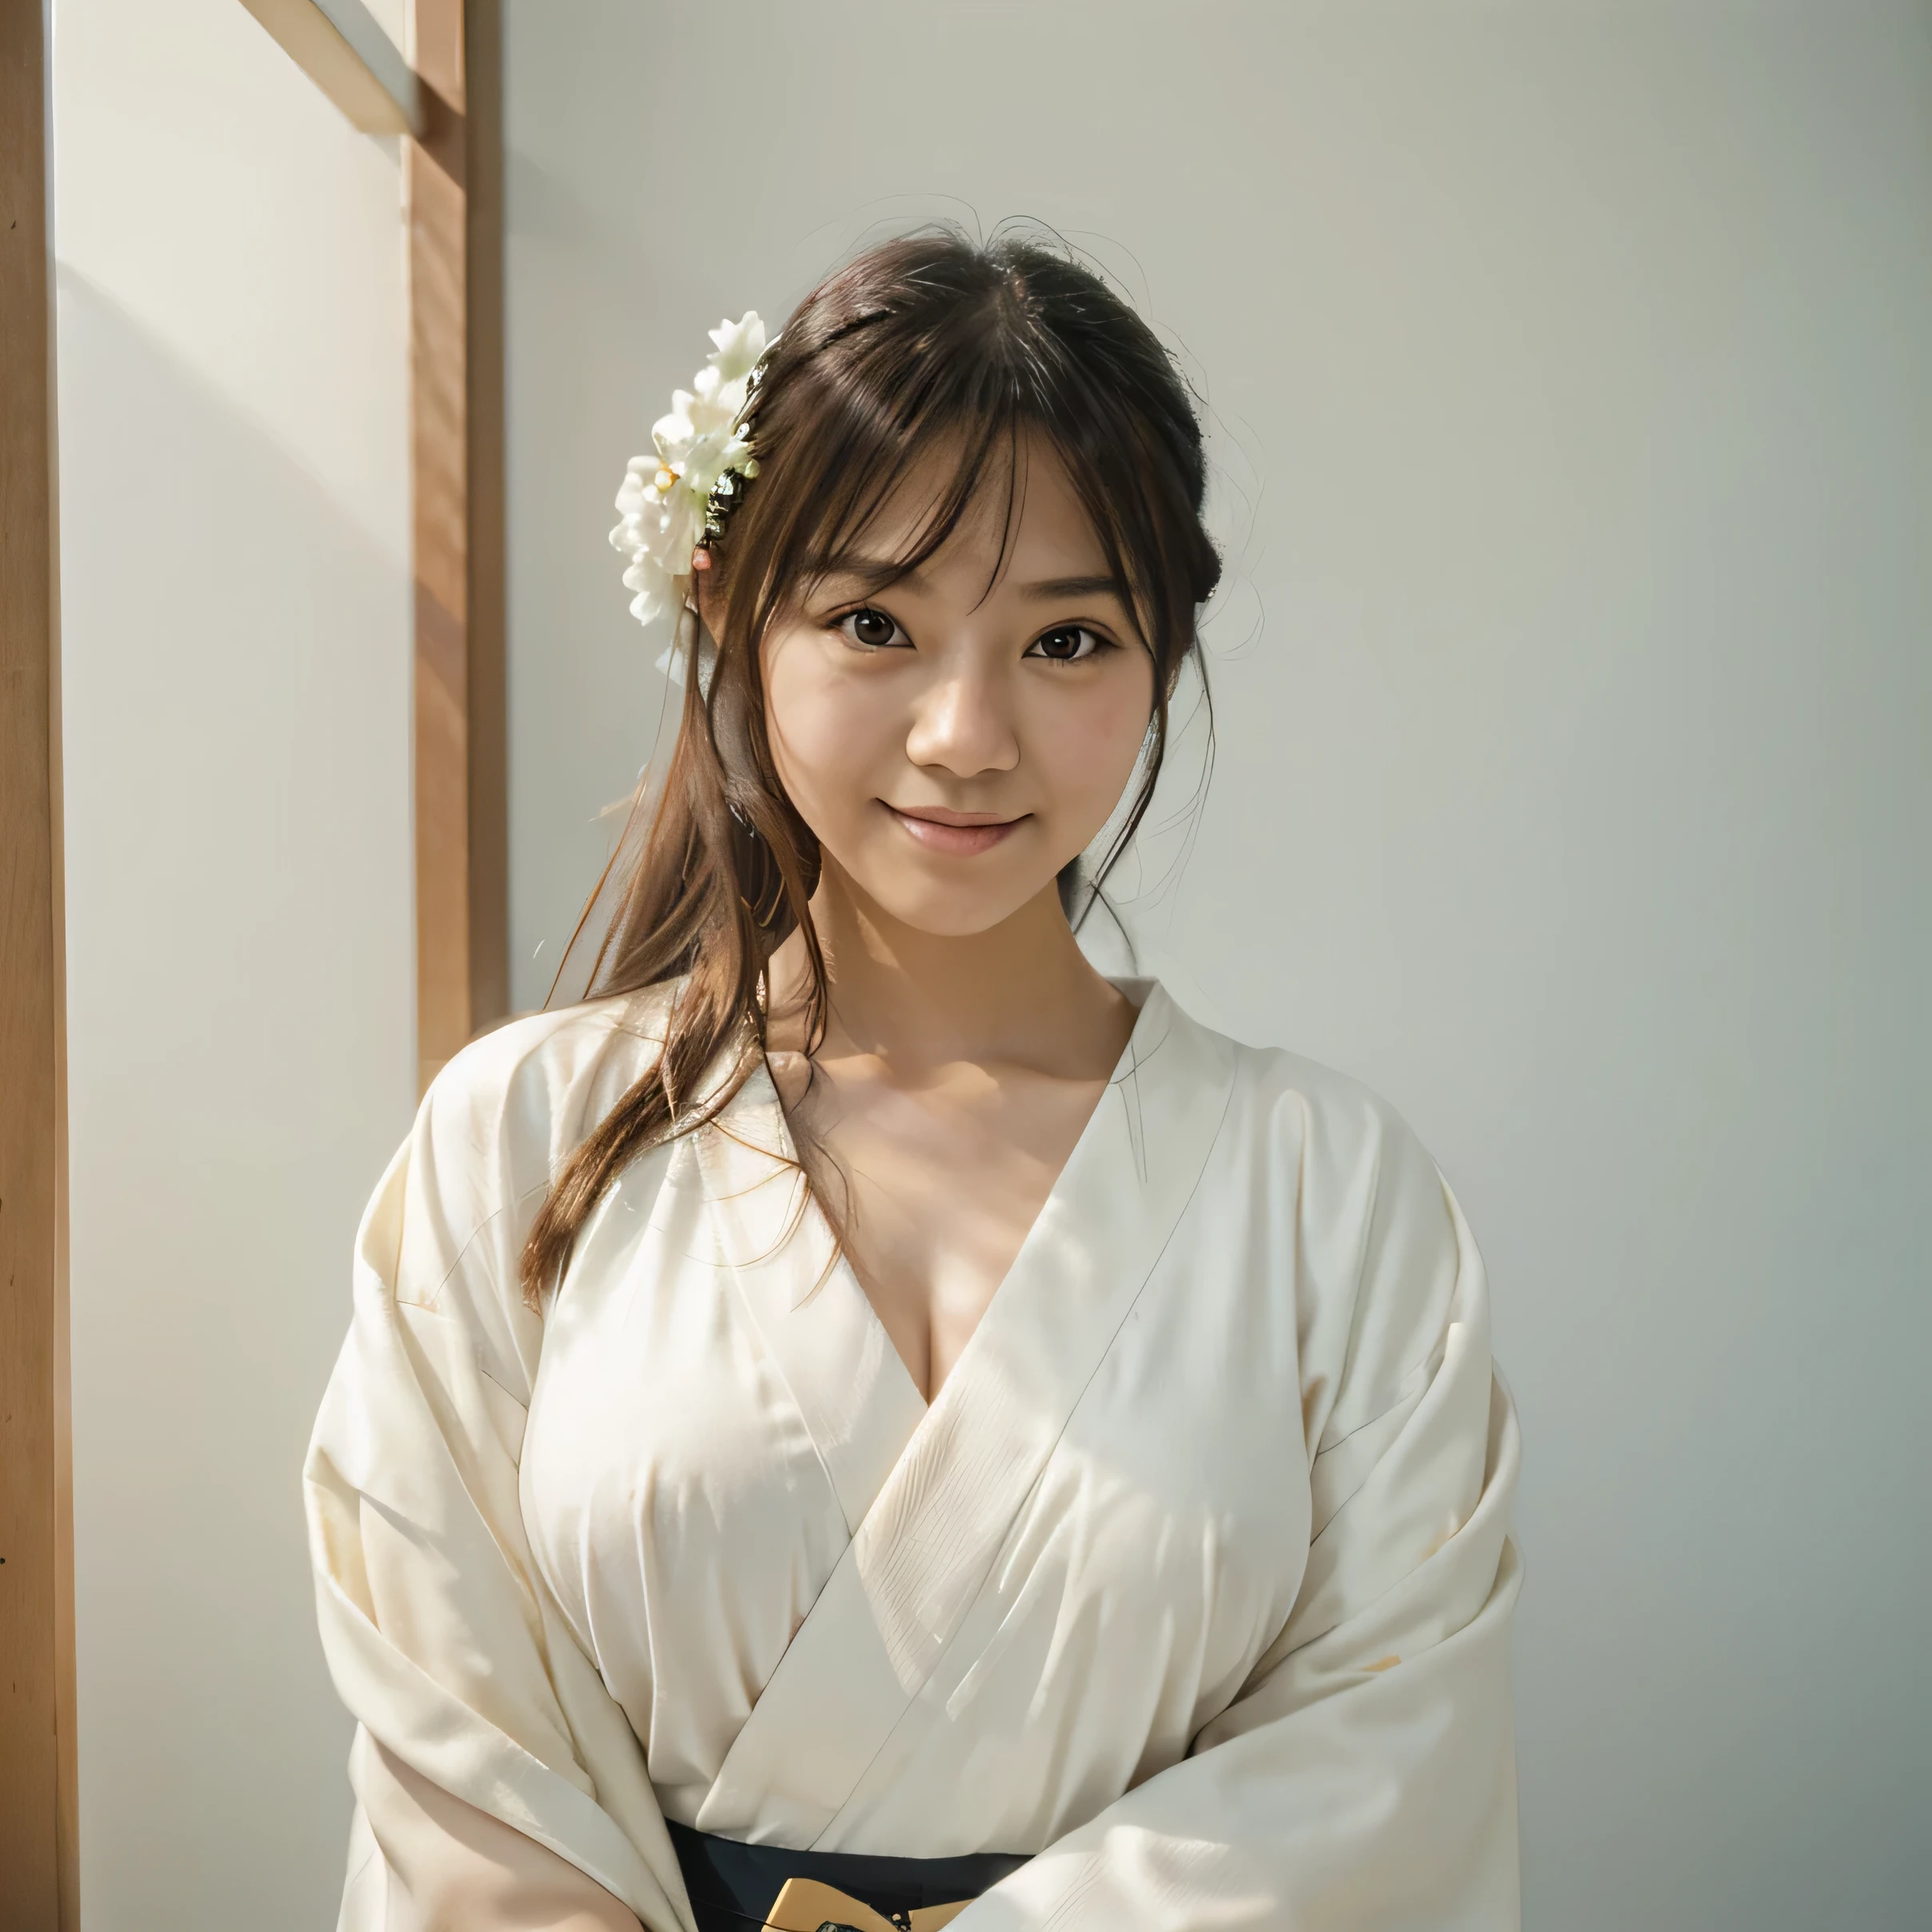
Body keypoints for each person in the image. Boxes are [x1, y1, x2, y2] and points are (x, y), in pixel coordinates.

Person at [305, 229, 1521, 1932]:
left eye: (1065, 641)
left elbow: (1382, 1769)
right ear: (729, 613)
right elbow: (458, 1743)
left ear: (1157, 654)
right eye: (875, 619)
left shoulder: (1329, 1190)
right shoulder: (518, 1139)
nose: (964, 730)